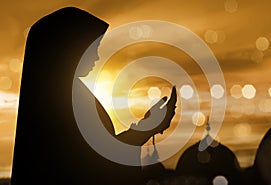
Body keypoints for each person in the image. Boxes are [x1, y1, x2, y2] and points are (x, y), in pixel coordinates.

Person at [11, 7, 176, 185]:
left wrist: (146, 127)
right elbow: (93, 167)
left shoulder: (70, 96)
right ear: (69, 48)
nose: (97, 57)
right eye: (92, 48)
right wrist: (145, 129)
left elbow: (100, 156)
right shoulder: (59, 104)